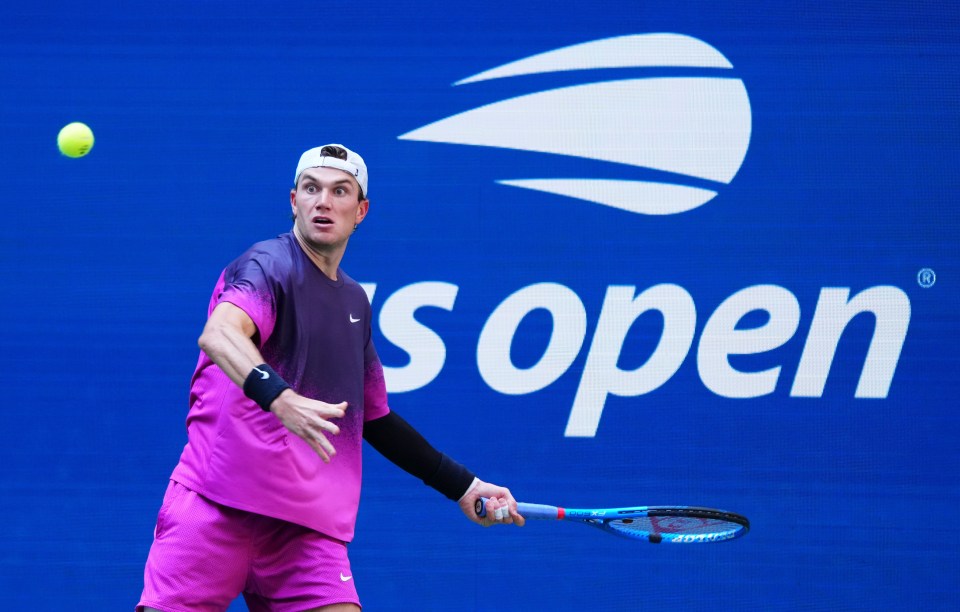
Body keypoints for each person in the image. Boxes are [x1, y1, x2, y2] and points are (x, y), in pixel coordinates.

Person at [138, 143, 524, 612]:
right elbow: (220, 335)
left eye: (340, 191)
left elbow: (374, 418)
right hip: (216, 509)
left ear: (360, 210)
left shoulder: (355, 303)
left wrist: (462, 485)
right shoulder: (267, 267)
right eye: (311, 189)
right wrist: (281, 399)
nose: (324, 201)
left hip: (305, 532)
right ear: (294, 201)